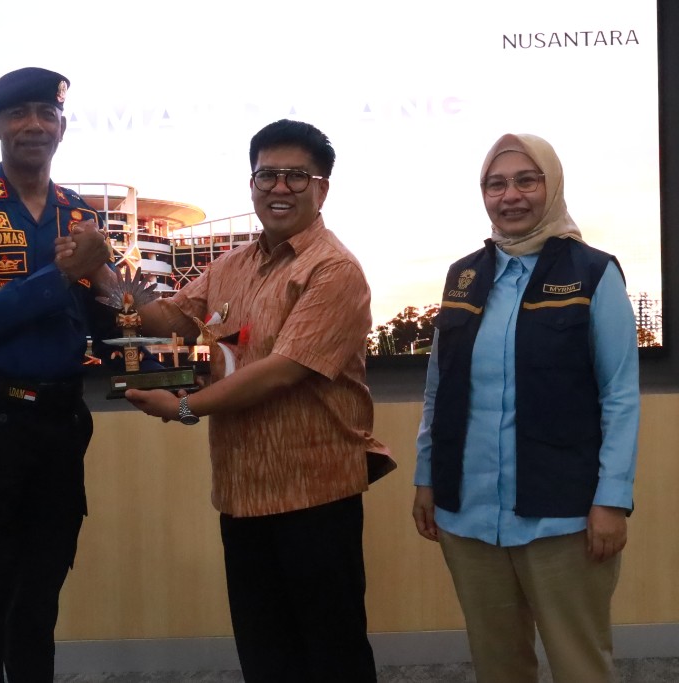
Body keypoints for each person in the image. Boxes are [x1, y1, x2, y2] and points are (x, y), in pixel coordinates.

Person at [67, 119, 393, 683]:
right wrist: (97, 267)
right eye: (268, 175)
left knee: (331, 655)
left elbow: (281, 372)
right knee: (265, 655)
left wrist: (185, 408)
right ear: (252, 184)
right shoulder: (232, 266)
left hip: (316, 493)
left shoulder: (333, 269)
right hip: (243, 491)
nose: (280, 187)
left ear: (322, 189)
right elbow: (169, 320)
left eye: (296, 176)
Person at [412, 133, 639, 683]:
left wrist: (612, 500)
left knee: (580, 664)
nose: (510, 196)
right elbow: (438, 387)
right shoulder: (463, 276)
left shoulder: (594, 273)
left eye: (526, 180)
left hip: (564, 514)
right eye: (496, 184)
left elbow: (619, 395)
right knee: (498, 665)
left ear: (551, 186)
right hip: (468, 513)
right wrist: (426, 477)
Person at [0, 67, 115, 682]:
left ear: (61, 126)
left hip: (59, 427)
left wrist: (134, 312)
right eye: (18, 114)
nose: (34, 125)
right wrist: (61, 274)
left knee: (39, 603)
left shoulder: (80, 216)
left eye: (46, 113)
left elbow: (107, 319)